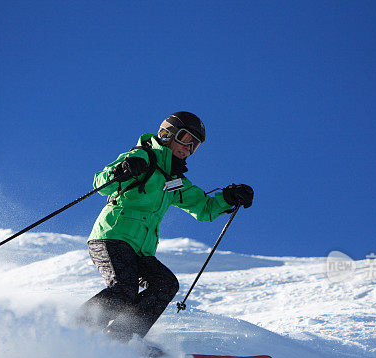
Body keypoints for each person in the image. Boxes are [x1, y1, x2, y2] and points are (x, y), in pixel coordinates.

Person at [78, 111, 254, 343]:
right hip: (112, 237)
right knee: (124, 289)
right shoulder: (142, 157)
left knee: (165, 284)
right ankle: (75, 329)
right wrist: (123, 170)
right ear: (167, 134)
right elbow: (102, 183)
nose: (188, 148)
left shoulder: (174, 181)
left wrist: (230, 197)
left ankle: (121, 338)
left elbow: (204, 207)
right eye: (185, 138)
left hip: (141, 251)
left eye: (195, 145)